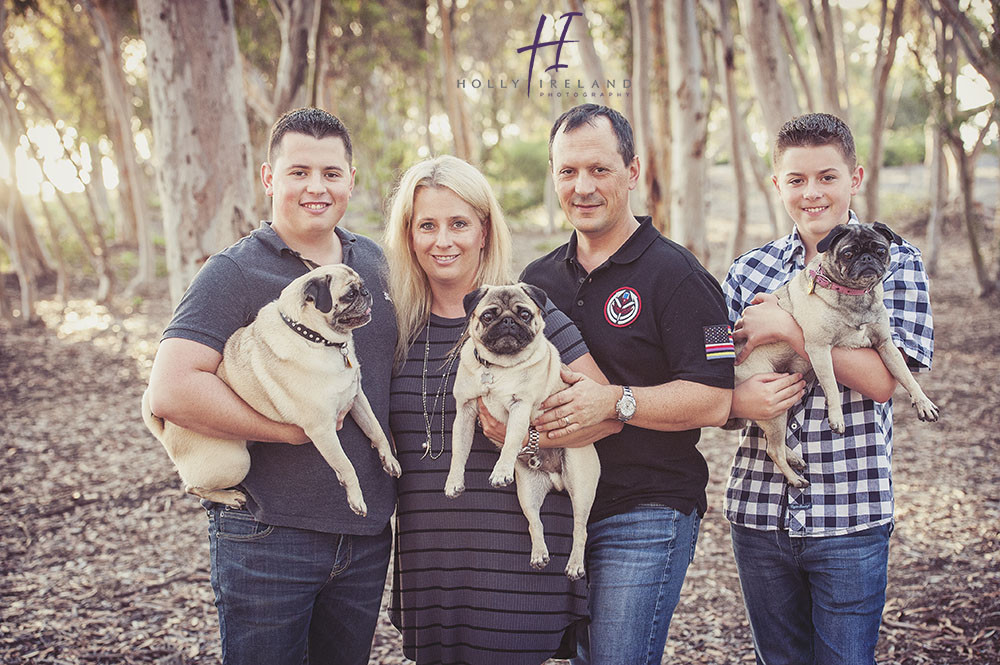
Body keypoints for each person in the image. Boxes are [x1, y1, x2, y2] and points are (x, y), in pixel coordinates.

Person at [145, 108, 397, 665]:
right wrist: (285, 431)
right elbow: (172, 389)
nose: (316, 187)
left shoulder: (376, 266)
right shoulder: (232, 273)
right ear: (268, 179)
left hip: (366, 534)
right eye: (299, 171)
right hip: (267, 534)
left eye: (332, 173)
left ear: (351, 180)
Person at [382, 155, 621, 665]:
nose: (443, 240)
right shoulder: (393, 325)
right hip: (430, 560)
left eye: (459, 224)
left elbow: (606, 412)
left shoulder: (535, 314)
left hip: (517, 560)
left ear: (485, 231)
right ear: (409, 234)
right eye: (427, 224)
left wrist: (531, 439)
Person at [519, 103, 735, 665]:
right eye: (567, 172)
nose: (583, 187)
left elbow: (715, 397)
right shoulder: (536, 282)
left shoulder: (680, 277)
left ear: (633, 172)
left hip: (646, 508)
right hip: (558, 509)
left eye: (599, 169)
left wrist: (617, 400)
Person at [723, 112, 934, 664]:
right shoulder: (748, 270)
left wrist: (788, 328)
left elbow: (885, 382)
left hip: (850, 515)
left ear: (855, 177)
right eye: (796, 180)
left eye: (827, 176)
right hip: (758, 512)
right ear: (777, 184)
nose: (811, 193)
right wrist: (736, 400)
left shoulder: (897, 264)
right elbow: (711, 370)